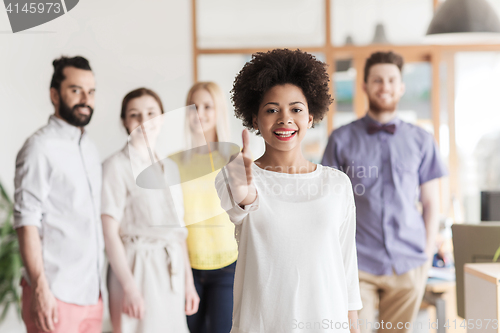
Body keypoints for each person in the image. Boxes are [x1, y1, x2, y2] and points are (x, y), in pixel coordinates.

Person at [216, 49, 362, 333]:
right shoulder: (237, 174)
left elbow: (346, 266)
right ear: (255, 120)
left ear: (310, 118)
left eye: (296, 109)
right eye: (272, 110)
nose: (285, 119)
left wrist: (354, 327)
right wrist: (245, 191)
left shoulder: (337, 184)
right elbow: (242, 204)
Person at [321, 51, 447, 333]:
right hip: (357, 262)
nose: (385, 86)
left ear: (401, 86)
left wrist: (426, 254)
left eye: (392, 80)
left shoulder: (422, 140)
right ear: (364, 85)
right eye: (377, 80)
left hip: (409, 262)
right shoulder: (340, 139)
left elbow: (430, 202)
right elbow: (327, 204)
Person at [14, 56, 104, 333]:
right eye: (75, 90)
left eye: (90, 92)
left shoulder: (89, 148)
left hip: (92, 295)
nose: (85, 99)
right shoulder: (39, 148)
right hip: (55, 295)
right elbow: (26, 221)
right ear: (55, 94)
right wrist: (40, 287)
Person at [101, 88, 199, 333]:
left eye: (151, 113)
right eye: (135, 114)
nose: (144, 121)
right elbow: (109, 233)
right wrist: (129, 288)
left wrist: (188, 283)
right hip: (135, 270)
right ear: (124, 120)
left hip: (171, 271)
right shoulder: (116, 167)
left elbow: (178, 232)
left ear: (162, 117)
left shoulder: (170, 167)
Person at [169, 82, 238, 333]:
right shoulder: (173, 163)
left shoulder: (233, 159)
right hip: (187, 268)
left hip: (228, 267)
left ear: (218, 111)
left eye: (207, 106)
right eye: (193, 106)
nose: (199, 113)